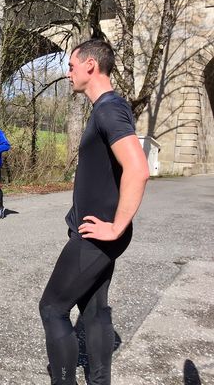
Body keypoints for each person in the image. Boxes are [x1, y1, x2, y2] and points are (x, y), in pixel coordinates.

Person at [39, 39, 149, 384]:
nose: (67, 73)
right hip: (98, 233)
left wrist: (116, 227)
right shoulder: (110, 107)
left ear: (90, 66)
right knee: (94, 308)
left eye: (71, 66)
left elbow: (138, 168)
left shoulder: (108, 109)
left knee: (53, 308)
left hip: (97, 235)